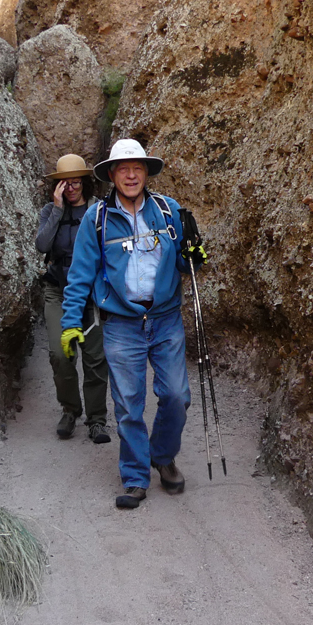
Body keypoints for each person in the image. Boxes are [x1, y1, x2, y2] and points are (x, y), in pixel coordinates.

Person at [59, 139, 208, 509]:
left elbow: (182, 262)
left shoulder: (168, 210)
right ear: (111, 174)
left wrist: (194, 258)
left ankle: (163, 455)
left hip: (165, 319)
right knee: (128, 405)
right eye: (123, 168)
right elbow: (79, 277)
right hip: (121, 325)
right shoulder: (97, 219)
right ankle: (136, 476)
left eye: (137, 167)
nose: (130, 174)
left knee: (177, 396)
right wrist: (70, 322)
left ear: (146, 172)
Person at [36, 154, 111, 444]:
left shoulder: (98, 211)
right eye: (65, 183)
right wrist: (56, 210)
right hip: (58, 291)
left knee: (95, 358)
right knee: (60, 354)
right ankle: (70, 410)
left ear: (85, 182)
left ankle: (97, 419)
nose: (71, 187)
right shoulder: (49, 211)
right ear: (58, 186)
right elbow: (42, 245)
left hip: (91, 294)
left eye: (76, 181)